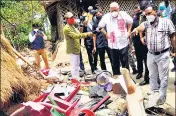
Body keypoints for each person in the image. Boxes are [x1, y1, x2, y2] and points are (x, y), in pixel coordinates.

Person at [131, 5, 176, 105]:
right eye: (146, 14)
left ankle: (162, 98)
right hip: (150, 55)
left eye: (149, 13)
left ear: (155, 11)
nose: (148, 16)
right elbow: (140, 27)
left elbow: (173, 36)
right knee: (152, 76)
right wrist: (135, 30)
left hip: (163, 54)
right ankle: (154, 94)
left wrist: (175, 50)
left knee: (163, 78)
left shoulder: (166, 22)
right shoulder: (146, 23)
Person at [98, 2, 133, 78]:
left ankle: (127, 79)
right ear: (109, 10)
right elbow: (100, 27)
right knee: (115, 63)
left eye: (115, 10)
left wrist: (129, 32)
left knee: (125, 63)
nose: (114, 12)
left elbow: (130, 22)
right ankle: (117, 80)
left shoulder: (123, 14)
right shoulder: (106, 17)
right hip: (112, 44)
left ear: (118, 8)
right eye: (112, 10)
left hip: (123, 43)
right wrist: (106, 34)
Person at [63, 12, 92, 80]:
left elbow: (79, 33)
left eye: (73, 17)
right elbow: (75, 36)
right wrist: (86, 34)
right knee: (74, 66)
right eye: (71, 18)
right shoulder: (66, 28)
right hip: (72, 49)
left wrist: (81, 29)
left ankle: (77, 78)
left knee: (77, 64)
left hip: (76, 48)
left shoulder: (72, 26)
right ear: (67, 19)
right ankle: (75, 79)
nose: (73, 19)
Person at [132, 5, 149, 85]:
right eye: (136, 10)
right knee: (138, 58)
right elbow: (132, 30)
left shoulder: (145, 17)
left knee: (146, 59)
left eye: (138, 10)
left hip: (144, 41)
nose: (137, 11)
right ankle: (140, 72)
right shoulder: (134, 19)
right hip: (136, 41)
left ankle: (147, 75)